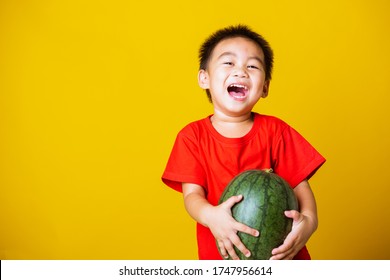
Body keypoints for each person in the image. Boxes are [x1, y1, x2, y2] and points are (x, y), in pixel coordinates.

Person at [161, 25, 325, 260]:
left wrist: (309, 222)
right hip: (224, 258)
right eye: (228, 63)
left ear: (265, 86)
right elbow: (192, 197)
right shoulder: (192, 136)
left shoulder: (276, 131)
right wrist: (211, 216)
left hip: (282, 257)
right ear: (204, 78)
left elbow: (302, 188)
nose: (241, 72)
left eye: (252, 66)